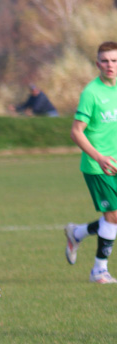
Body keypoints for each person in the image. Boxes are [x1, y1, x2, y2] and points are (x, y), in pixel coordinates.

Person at [65, 41, 117, 284]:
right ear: (97, 64)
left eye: (114, 60)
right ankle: (99, 270)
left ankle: (77, 233)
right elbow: (76, 132)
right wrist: (99, 157)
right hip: (99, 166)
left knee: (114, 217)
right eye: (105, 61)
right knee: (113, 216)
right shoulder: (91, 93)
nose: (110, 65)